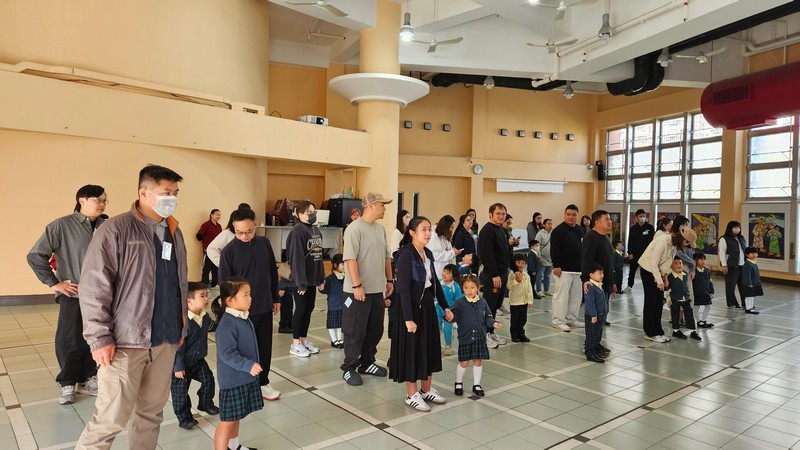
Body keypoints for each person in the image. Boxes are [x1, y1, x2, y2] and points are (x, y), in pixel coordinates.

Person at [77, 165, 187, 449]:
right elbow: (94, 286)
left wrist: (181, 325)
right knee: (109, 420)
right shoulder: (116, 229)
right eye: (166, 192)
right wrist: (99, 337)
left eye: (175, 193)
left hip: (165, 341)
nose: (172, 199)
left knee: (150, 415)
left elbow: (178, 283)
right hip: (125, 344)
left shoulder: (174, 231)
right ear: (144, 193)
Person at [27, 184, 107, 405]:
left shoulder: (107, 226)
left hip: (102, 294)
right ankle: (67, 382)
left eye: (104, 200)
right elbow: (35, 255)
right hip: (74, 294)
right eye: (98, 199)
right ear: (82, 200)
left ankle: (87, 378)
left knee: (95, 336)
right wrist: (55, 283)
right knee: (70, 338)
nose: (102, 204)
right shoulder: (61, 226)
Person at [389, 216, 452, 411]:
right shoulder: (406, 255)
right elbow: (403, 289)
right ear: (412, 233)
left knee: (428, 346)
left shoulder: (427, 253)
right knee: (412, 348)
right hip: (408, 306)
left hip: (426, 305)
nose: (428, 233)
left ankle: (426, 389)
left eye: (429, 229)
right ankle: (411, 394)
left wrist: (445, 306)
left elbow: (434, 283)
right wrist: (408, 319)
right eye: (423, 229)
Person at [218, 208, 281, 401]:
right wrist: (229, 312)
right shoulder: (228, 252)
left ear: (255, 225)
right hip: (241, 311)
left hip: (264, 304)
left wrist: (276, 298)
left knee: (264, 346)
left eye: (249, 231)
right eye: (239, 232)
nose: (244, 236)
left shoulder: (264, 243)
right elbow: (225, 286)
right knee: (246, 350)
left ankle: (263, 383)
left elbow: (272, 272)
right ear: (233, 228)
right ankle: (247, 383)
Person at [341, 192, 394, 386]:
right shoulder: (354, 229)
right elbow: (350, 259)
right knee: (355, 330)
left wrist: (389, 280)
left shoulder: (380, 229)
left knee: (375, 329)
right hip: (357, 291)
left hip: (377, 289)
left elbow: (386, 257)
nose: (384, 208)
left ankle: (367, 362)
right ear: (371, 206)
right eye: (382, 205)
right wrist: (357, 285)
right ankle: (349, 367)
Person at [210, 277, 264, 450]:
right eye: (245, 295)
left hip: (243, 378)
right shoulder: (227, 323)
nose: (250, 298)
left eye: (250, 294)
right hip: (233, 381)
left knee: (236, 417)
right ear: (230, 300)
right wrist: (248, 365)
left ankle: (234, 447)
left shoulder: (242, 317)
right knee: (227, 421)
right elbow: (227, 353)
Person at [171, 282, 218, 430]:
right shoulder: (182, 321)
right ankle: (184, 418)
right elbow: (178, 346)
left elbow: (213, 326)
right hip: (180, 364)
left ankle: (205, 403)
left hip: (198, 360)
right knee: (180, 393)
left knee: (208, 380)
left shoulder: (204, 316)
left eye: (207, 295)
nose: (206, 298)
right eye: (202, 296)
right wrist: (178, 366)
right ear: (189, 301)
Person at [449, 274, 501, 398]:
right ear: (462, 288)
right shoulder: (459, 302)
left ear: (478, 288)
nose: (469, 290)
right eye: (466, 288)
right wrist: (450, 317)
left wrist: (493, 323)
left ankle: (476, 385)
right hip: (466, 337)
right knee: (464, 361)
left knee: (477, 361)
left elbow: (488, 317)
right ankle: (458, 382)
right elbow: (454, 316)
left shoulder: (482, 302)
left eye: (472, 287)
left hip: (479, 337)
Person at [637, 217, 688, 343]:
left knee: (659, 302)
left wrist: (664, 277)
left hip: (658, 272)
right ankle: (650, 332)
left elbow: (667, 262)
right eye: (685, 243)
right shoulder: (662, 241)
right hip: (648, 270)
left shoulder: (673, 244)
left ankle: (658, 330)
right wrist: (659, 280)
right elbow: (653, 263)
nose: (685, 246)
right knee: (651, 301)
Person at [286, 201, 326, 358]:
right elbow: (296, 259)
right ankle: (295, 343)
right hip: (300, 280)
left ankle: (303, 339)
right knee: (301, 309)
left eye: (314, 211)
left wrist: (321, 278)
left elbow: (319, 256)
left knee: (309, 308)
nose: (312, 214)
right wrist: (300, 283)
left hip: (312, 278)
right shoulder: (297, 231)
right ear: (299, 214)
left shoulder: (316, 230)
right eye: (309, 212)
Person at [477, 203, 511, 347]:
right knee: (489, 306)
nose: (501, 216)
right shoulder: (487, 231)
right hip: (492, 275)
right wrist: (494, 274)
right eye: (498, 213)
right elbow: (486, 254)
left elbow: (506, 252)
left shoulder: (502, 230)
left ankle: (491, 331)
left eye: (503, 214)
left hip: (503, 273)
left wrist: (513, 269)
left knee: (496, 305)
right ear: (490, 214)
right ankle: (483, 334)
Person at [550, 204, 585, 332]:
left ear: (577, 216)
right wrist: (556, 265)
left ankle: (571, 319)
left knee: (576, 297)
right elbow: (554, 249)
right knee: (561, 297)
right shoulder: (558, 231)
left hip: (578, 269)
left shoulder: (580, 230)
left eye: (574, 215)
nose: (571, 217)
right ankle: (558, 321)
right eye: (568, 214)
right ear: (564, 215)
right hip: (563, 270)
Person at [580, 210, 616, 326]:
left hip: (605, 282)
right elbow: (586, 260)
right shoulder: (590, 237)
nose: (610, 222)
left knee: (603, 312)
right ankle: (593, 337)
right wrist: (586, 280)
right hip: (595, 284)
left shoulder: (605, 237)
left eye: (610, 219)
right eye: (607, 219)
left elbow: (608, 262)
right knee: (595, 315)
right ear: (597, 223)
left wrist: (612, 282)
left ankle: (599, 332)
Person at [665, 257, 701, 341]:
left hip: (686, 298)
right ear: (671, 266)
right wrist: (666, 280)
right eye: (675, 263)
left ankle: (693, 331)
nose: (678, 265)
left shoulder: (685, 273)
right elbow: (667, 288)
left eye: (680, 263)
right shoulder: (670, 276)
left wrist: (687, 295)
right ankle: (676, 331)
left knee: (689, 314)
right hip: (675, 299)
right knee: (675, 315)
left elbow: (685, 285)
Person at [584, 263, 609, 363]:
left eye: (602, 273)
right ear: (591, 275)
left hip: (600, 315)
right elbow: (590, 303)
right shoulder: (590, 287)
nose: (602, 275)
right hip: (593, 316)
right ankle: (590, 352)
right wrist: (593, 315)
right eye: (599, 273)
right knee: (591, 335)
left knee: (597, 334)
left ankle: (595, 349)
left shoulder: (598, 285)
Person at [718, 221, 747, 309]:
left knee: (743, 286)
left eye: (738, 227)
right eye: (735, 227)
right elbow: (722, 252)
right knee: (731, 286)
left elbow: (744, 250)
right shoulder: (724, 239)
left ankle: (745, 303)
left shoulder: (741, 238)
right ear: (730, 228)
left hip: (742, 265)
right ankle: (732, 303)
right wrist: (724, 265)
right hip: (731, 266)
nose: (737, 229)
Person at [625, 209, 655, 293]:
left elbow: (653, 241)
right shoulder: (633, 228)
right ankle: (629, 286)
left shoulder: (650, 227)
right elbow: (630, 241)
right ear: (637, 217)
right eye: (640, 216)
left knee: (648, 271)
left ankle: (650, 286)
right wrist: (630, 252)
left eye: (644, 216)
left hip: (647, 254)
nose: (642, 217)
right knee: (632, 270)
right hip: (635, 254)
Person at [320, 253, 345, 348]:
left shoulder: (346, 277)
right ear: (335, 265)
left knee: (340, 324)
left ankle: (339, 339)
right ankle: (334, 340)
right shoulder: (330, 278)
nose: (344, 266)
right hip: (333, 305)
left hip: (343, 305)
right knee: (332, 324)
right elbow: (326, 290)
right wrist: (321, 289)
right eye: (342, 264)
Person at [507, 254, 533, 342]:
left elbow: (529, 289)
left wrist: (530, 300)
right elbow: (509, 286)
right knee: (515, 320)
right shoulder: (511, 276)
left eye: (523, 263)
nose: (520, 265)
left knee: (523, 319)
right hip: (515, 302)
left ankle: (521, 333)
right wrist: (516, 281)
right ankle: (514, 335)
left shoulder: (527, 276)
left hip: (524, 302)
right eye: (518, 262)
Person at [439, 264, 463, 356]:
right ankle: (436, 344)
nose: (444, 274)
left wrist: (455, 312)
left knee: (447, 329)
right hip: (437, 309)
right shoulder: (438, 283)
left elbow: (458, 300)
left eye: (448, 273)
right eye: (444, 271)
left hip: (449, 312)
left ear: (453, 277)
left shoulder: (455, 287)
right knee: (436, 328)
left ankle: (448, 345)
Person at [196, 209, 222, 287]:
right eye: (217, 214)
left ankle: (215, 283)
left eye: (219, 215)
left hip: (216, 249)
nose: (219, 216)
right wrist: (206, 241)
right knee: (207, 267)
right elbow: (198, 235)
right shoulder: (206, 225)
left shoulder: (219, 226)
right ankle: (204, 284)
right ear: (211, 215)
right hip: (208, 249)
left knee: (215, 267)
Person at [692, 252, 715, 328]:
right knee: (696, 307)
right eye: (701, 259)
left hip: (705, 292)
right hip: (696, 292)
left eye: (704, 259)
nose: (703, 261)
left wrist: (711, 291)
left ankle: (704, 320)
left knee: (708, 306)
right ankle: (699, 321)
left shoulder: (706, 271)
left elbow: (710, 281)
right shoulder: (693, 271)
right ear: (695, 260)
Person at [534, 218, 554, 296]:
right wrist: (539, 258)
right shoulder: (540, 234)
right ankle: (539, 290)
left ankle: (546, 290)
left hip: (550, 258)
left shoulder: (553, 233)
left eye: (551, 224)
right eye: (548, 224)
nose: (550, 225)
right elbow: (536, 246)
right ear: (544, 225)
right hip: (542, 257)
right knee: (540, 275)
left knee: (548, 275)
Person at [741, 247, 763, 315]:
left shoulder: (753, 262)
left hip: (754, 283)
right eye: (752, 253)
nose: (754, 255)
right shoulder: (747, 264)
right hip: (749, 284)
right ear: (747, 254)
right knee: (749, 296)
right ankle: (748, 308)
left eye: (756, 253)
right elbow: (746, 274)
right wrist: (748, 283)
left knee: (752, 295)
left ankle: (751, 306)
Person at [277, 264, 295, 334]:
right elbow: (283, 273)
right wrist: (282, 288)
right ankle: (284, 326)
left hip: (289, 287)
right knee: (286, 307)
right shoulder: (288, 263)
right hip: (285, 288)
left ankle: (289, 324)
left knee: (289, 307)